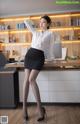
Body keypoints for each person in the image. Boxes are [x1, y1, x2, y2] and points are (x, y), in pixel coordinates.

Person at [23, 15, 55, 123]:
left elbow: (50, 49)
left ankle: (40, 109)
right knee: (26, 81)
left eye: (44, 22)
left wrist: (51, 59)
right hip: (29, 55)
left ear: (48, 24)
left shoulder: (50, 34)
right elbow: (26, 21)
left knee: (31, 80)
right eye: (40, 22)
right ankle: (24, 109)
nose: (41, 24)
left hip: (39, 57)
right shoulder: (35, 32)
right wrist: (33, 21)